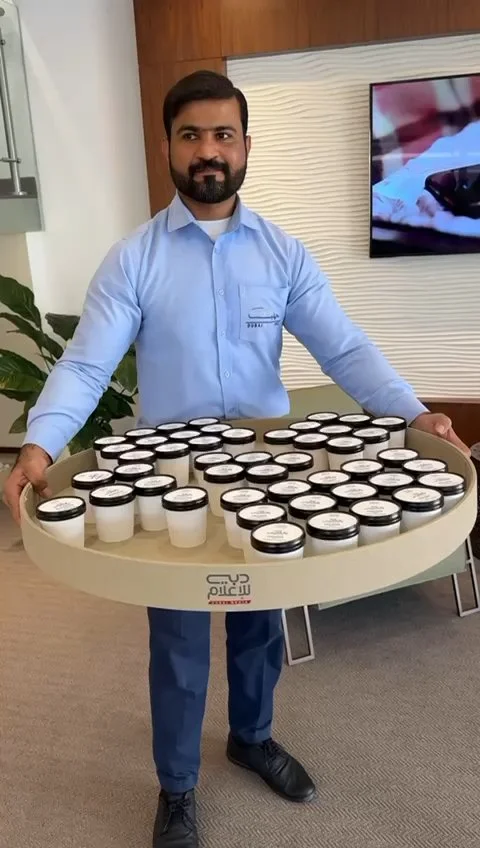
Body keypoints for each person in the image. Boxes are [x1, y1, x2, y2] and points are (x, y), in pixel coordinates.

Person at [3, 71, 470, 848]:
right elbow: (86, 365)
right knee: (180, 642)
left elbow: (344, 347)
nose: (208, 151)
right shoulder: (134, 260)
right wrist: (40, 444)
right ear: (167, 146)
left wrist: (414, 412)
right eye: (191, 135)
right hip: (173, 484)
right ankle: (178, 787)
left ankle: (251, 738)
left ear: (246, 146)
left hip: (268, 474)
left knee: (260, 628)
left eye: (223, 134)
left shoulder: (283, 255)